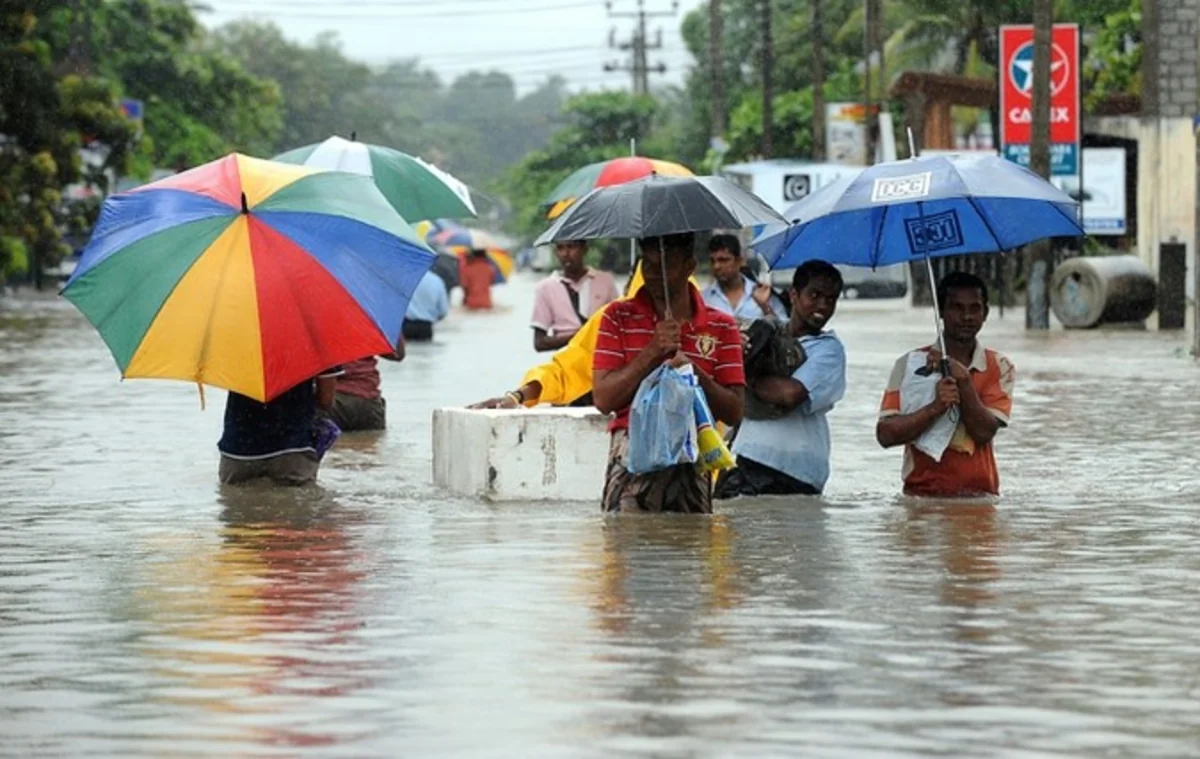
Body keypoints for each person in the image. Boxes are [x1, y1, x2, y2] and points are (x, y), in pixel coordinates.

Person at [593, 232, 745, 514]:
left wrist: (692, 370)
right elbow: (603, 399)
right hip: (632, 446)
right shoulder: (617, 317)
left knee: (691, 545)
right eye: (647, 264)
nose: (653, 273)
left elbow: (735, 411)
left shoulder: (722, 326)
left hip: (693, 450)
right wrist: (652, 352)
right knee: (626, 544)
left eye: (665, 265)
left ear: (689, 265)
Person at [467, 262, 699, 410]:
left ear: (689, 266)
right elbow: (566, 370)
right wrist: (517, 397)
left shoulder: (715, 325)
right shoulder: (616, 318)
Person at [876, 272, 1016, 498]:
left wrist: (963, 382)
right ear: (940, 312)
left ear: (985, 313)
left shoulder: (999, 366)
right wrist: (934, 408)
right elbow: (885, 435)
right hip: (921, 495)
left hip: (980, 497)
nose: (967, 316)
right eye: (957, 308)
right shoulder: (910, 364)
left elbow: (984, 432)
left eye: (974, 308)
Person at [715, 260, 847, 498]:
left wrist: (743, 375)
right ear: (794, 295)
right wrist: (737, 353)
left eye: (831, 299)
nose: (823, 305)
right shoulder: (765, 332)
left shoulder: (829, 349)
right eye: (815, 295)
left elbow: (789, 394)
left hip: (797, 474)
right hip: (747, 461)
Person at [217, 368, 343, 486]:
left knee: (236, 505)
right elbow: (326, 400)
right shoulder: (316, 344)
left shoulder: (238, 346)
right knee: (299, 506)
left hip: (238, 450)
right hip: (292, 449)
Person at [530, 240, 620, 353]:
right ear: (555, 252)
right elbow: (539, 343)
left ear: (584, 249)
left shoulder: (605, 281)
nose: (565, 253)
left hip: (602, 357)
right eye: (560, 248)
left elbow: (618, 326)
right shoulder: (545, 288)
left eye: (571, 247)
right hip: (567, 360)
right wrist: (582, 335)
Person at [702, 234, 788, 321]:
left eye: (723, 260)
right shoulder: (703, 300)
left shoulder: (762, 294)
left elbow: (783, 329)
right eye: (712, 261)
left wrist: (764, 306)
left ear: (739, 261)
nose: (716, 266)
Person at [324, 342, 405, 432]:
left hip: (334, 402)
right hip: (370, 403)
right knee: (370, 442)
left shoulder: (322, 332)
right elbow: (397, 354)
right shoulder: (367, 330)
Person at [403, 268, 450, 342]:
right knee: (426, 352)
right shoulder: (437, 281)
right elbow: (443, 311)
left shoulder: (403, 279)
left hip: (405, 326)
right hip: (426, 327)